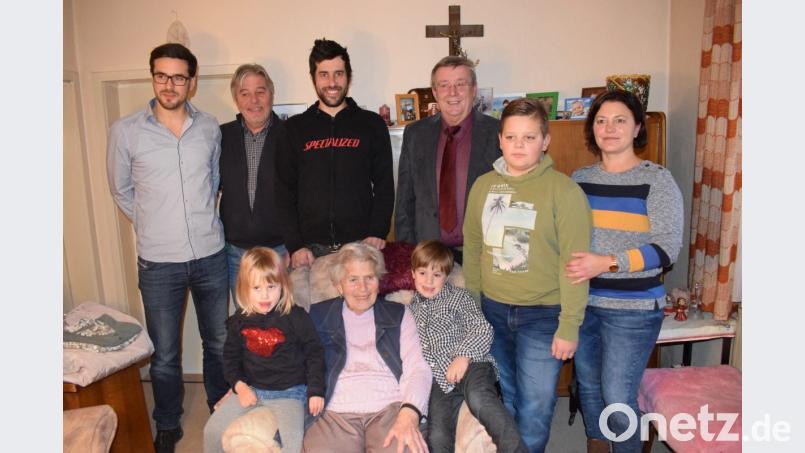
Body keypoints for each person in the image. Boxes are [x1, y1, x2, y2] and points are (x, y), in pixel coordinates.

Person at [106, 43, 229, 453]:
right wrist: (153, 225)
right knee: (164, 355)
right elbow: (121, 190)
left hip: (211, 255)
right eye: (162, 75)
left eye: (179, 76)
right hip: (159, 263)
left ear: (192, 82)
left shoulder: (210, 127)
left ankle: (221, 407)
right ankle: (168, 424)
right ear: (152, 76)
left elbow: (213, 183)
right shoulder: (125, 131)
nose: (170, 84)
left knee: (217, 343)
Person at [462, 98, 592, 452]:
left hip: (543, 316)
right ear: (500, 140)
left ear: (545, 141)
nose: (519, 145)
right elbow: (473, 248)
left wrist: (569, 325)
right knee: (506, 397)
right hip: (492, 312)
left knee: (535, 404)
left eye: (530, 137)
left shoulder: (565, 192)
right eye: (512, 137)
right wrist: (474, 308)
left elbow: (576, 266)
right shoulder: (482, 187)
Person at [566, 90, 683, 453]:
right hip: (584, 302)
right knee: (587, 386)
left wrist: (608, 261)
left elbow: (666, 249)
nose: (609, 128)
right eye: (601, 121)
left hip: (632, 309)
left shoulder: (657, 180)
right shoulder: (578, 179)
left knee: (618, 396)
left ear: (636, 128)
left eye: (620, 120)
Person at [275, 39, 394, 269]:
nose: (332, 82)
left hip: (361, 246)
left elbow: (384, 185)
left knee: (363, 305)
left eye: (339, 74)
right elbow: (283, 192)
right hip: (309, 252)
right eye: (324, 74)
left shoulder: (372, 124)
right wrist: (295, 245)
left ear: (348, 76)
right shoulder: (293, 129)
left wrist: (377, 231)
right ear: (313, 78)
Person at [304, 242, 433, 453]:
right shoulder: (317, 316)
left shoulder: (399, 314)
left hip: (391, 409)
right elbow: (291, 360)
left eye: (369, 278)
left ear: (379, 281)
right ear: (339, 285)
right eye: (353, 279)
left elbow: (418, 367)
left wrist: (409, 414)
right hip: (334, 413)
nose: (362, 289)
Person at [407, 240, 526, 453]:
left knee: (479, 400)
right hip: (439, 379)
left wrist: (463, 357)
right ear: (413, 274)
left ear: (447, 276)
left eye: (437, 275)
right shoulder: (409, 311)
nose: (429, 281)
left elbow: (482, 328)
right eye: (423, 273)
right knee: (437, 434)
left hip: (472, 365)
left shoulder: (458, 297)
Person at [203, 247, 325, 453]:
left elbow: (315, 352)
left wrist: (316, 390)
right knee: (211, 431)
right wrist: (239, 386)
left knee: (293, 443)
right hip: (251, 388)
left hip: (290, 392)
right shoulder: (239, 322)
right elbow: (230, 359)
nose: (265, 295)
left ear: (283, 285)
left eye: (271, 286)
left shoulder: (296, 316)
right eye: (256, 288)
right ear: (243, 289)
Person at [394, 56, 501, 264]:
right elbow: (405, 201)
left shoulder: (498, 132)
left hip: (482, 255)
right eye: (444, 85)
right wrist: (407, 253)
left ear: (474, 89)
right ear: (435, 92)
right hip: (429, 257)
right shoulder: (415, 134)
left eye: (461, 84)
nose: (452, 93)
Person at [219, 64, 287, 304]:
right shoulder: (221, 137)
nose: (253, 100)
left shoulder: (290, 135)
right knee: (245, 325)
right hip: (236, 254)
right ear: (236, 99)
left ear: (271, 94)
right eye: (244, 93)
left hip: (281, 252)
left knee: (283, 325)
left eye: (260, 91)